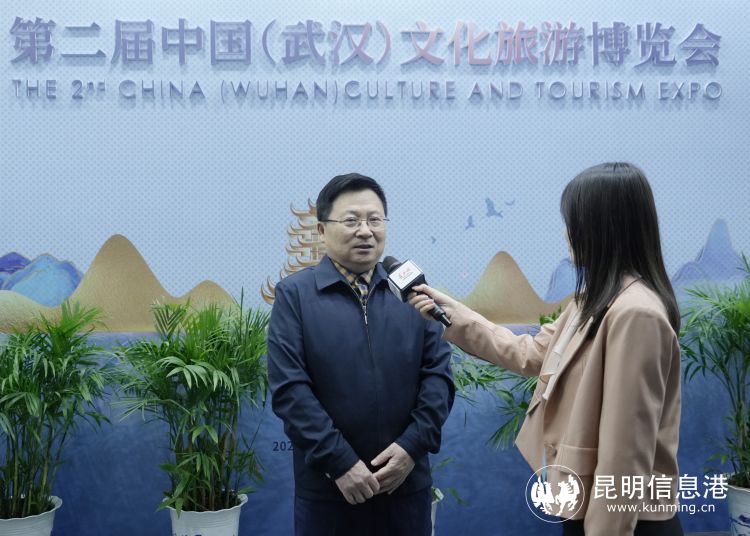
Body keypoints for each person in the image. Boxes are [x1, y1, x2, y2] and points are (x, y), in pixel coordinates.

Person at [409, 163, 683, 536]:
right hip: (587, 507)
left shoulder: (636, 314)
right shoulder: (593, 301)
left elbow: (625, 453)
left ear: (604, 228)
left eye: (574, 222)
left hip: (619, 520)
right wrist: (448, 312)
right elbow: (531, 353)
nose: (567, 233)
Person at [267, 173, 455, 536]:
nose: (365, 231)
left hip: (405, 484)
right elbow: (290, 390)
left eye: (375, 220)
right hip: (329, 490)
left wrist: (410, 448)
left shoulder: (415, 294)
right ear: (322, 230)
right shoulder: (295, 295)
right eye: (351, 221)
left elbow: (438, 377)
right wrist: (340, 463)